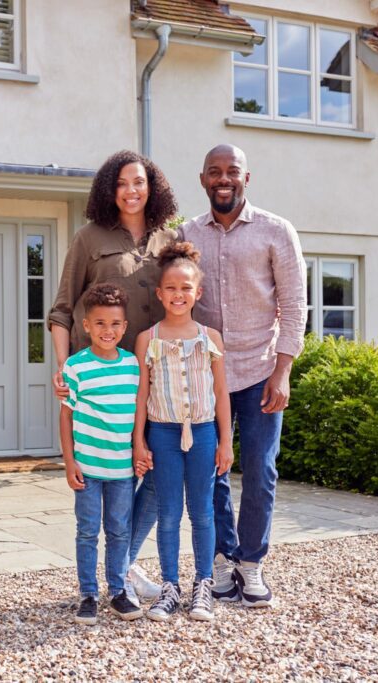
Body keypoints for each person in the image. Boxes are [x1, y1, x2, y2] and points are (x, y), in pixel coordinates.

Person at [178, 144, 307, 609]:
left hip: (259, 370)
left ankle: (250, 564)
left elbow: (293, 306)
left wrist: (283, 371)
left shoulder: (277, 231)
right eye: (215, 172)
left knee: (261, 469)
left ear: (246, 179)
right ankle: (219, 558)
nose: (223, 179)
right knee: (209, 471)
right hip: (206, 374)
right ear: (203, 179)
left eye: (232, 171)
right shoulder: (187, 233)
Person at [48, 149, 179, 604]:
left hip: (157, 378)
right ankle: (113, 575)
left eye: (139, 182)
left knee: (159, 471)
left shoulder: (170, 239)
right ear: (110, 188)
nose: (131, 190)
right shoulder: (89, 238)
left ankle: (120, 564)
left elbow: (185, 297)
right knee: (109, 468)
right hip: (102, 381)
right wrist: (64, 368)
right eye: (122, 182)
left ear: (152, 187)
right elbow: (63, 309)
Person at [131, 242, 233, 622]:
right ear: (159, 293)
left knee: (202, 512)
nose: (178, 294)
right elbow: (143, 395)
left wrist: (226, 442)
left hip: (204, 433)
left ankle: (202, 585)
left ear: (198, 292)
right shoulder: (149, 339)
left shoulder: (210, 338)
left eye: (185, 288)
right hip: (163, 434)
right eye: (170, 288)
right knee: (170, 512)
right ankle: (170, 587)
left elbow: (220, 393)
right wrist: (139, 440)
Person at [59, 283, 145, 625]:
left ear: (124, 327)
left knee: (120, 531)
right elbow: (65, 418)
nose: (107, 331)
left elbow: (139, 411)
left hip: (123, 470)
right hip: (88, 469)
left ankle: (119, 591)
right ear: (85, 325)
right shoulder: (75, 368)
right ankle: (88, 594)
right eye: (99, 324)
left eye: (114, 324)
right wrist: (69, 462)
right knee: (87, 531)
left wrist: (139, 446)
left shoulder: (133, 365)